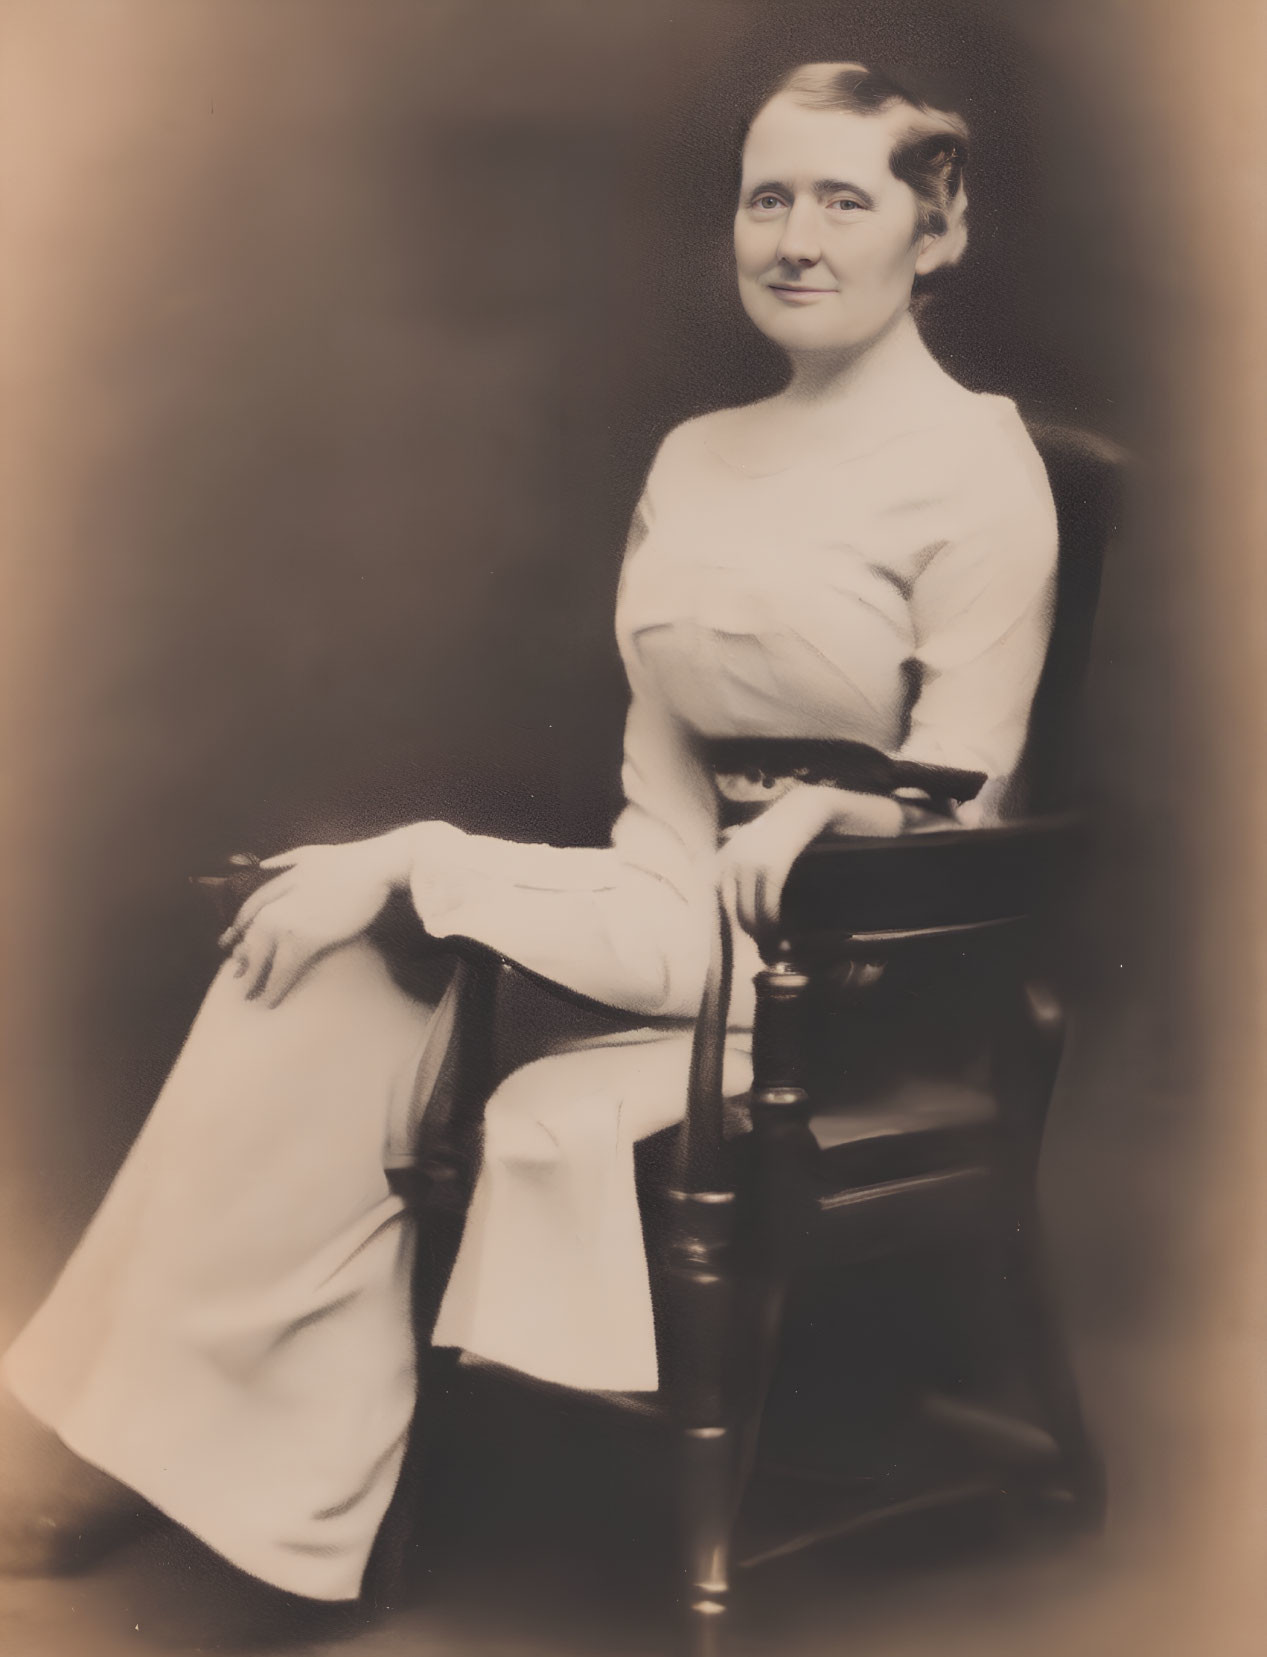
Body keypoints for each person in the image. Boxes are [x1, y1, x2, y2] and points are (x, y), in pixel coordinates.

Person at [0, 62, 1057, 1604]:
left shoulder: (983, 467)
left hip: (855, 951)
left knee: (392, 883)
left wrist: (836, 811)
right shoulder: (697, 453)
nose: (798, 238)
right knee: (322, 956)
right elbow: (660, 774)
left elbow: (972, 774)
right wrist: (493, 885)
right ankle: (255, 1481)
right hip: (684, 908)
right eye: (768, 196)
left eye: (848, 197)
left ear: (935, 229)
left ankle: (241, 1460)